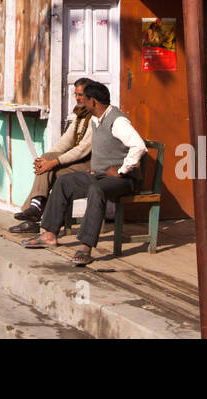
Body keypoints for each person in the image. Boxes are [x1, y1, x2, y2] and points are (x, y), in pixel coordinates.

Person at [22, 80, 146, 265]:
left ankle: (86, 246)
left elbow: (139, 146)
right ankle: (49, 234)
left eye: (84, 99)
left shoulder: (118, 121)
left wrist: (122, 169)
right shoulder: (96, 119)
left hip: (124, 180)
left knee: (96, 189)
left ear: (93, 102)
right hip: (100, 175)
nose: (81, 102)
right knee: (64, 181)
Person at [9, 77, 97, 234]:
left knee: (52, 170)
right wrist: (47, 158)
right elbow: (66, 141)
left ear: (91, 96)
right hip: (77, 161)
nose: (77, 98)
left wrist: (54, 161)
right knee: (47, 166)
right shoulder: (79, 115)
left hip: (90, 164)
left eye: (81, 94)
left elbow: (82, 149)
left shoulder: (95, 118)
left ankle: (34, 212)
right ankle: (35, 210)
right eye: (76, 94)